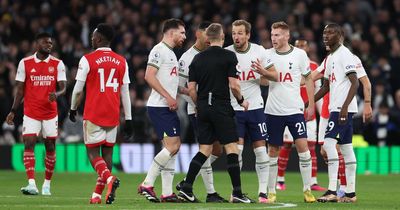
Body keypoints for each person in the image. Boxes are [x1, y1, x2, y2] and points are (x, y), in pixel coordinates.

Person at [177, 23, 253, 203]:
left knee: (204, 149)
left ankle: (187, 188)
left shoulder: (197, 59)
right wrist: (242, 101)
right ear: (222, 37)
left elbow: (192, 89)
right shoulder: (229, 56)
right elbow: (234, 85)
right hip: (220, 106)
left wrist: (200, 105)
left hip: (202, 108)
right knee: (232, 148)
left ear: (208, 38)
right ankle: (237, 193)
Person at [69, 23, 132, 204]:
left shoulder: (87, 59)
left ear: (99, 38)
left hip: (94, 113)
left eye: (93, 36)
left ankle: (110, 179)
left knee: (92, 153)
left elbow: (78, 90)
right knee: (108, 154)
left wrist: (73, 108)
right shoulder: (122, 61)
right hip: (113, 114)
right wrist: (128, 119)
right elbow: (125, 92)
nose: (91, 38)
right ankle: (97, 194)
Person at [255, 21, 317, 203]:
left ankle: (307, 190)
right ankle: (271, 190)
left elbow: (309, 79)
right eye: (272, 35)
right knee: (273, 150)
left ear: (287, 36)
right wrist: (263, 74)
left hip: (295, 109)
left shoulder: (300, 55)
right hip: (273, 110)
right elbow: (264, 83)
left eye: (277, 35)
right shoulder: (266, 55)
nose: (273, 38)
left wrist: (311, 104)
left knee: (303, 149)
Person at [312, 35, 372, 201]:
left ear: (339, 37)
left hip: (341, 108)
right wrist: (308, 102)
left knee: (329, 144)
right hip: (336, 107)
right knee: (346, 148)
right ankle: (350, 194)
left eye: (329, 34)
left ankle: (332, 191)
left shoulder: (346, 55)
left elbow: (357, 82)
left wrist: (348, 107)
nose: (324, 37)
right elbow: (325, 86)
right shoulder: (330, 57)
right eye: (323, 34)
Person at [6, 32, 66, 196]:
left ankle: (47, 184)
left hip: (50, 113)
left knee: (50, 147)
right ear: (37, 44)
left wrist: (58, 94)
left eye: (51, 43)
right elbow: (20, 90)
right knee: (29, 143)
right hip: (31, 112)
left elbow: (63, 87)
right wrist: (12, 111)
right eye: (46, 42)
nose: (49, 45)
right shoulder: (24, 63)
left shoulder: (58, 64)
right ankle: (31, 183)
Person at [225, 19, 278, 203]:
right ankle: (236, 192)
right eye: (234, 33)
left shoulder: (259, 51)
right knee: (237, 151)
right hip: (234, 109)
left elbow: (275, 75)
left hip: (255, 108)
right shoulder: (227, 53)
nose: (236, 37)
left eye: (240, 33)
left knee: (261, 152)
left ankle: (263, 192)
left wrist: (262, 71)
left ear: (248, 34)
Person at [175, 21, 227, 203]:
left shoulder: (215, 53)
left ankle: (187, 181)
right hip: (196, 110)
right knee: (206, 149)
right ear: (198, 34)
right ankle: (211, 192)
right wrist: (195, 100)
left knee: (217, 150)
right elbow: (179, 86)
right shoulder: (187, 58)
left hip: (213, 108)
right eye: (206, 35)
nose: (209, 39)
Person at [137, 18, 186, 203]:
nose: (184, 36)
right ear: (171, 32)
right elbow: (148, 76)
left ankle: (167, 193)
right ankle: (147, 183)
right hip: (160, 107)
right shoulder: (159, 50)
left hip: (167, 106)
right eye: (182, 32)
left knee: (171, 149)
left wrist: (183, 91)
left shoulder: (171, 53)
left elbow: (169, 81)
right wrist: (167, 96)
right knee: (174, 146)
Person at [276, 39, 326, 192]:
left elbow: (319, 92)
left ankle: (313, 182)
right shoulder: (286, 62)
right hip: (290, 110)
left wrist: (320, 111)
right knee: (286, 145)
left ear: (308, 47)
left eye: (303, 45)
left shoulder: (314, 66)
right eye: (298, 46)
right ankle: (280, 180)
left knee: (310, 147)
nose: (301, 48)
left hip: (308, 114)